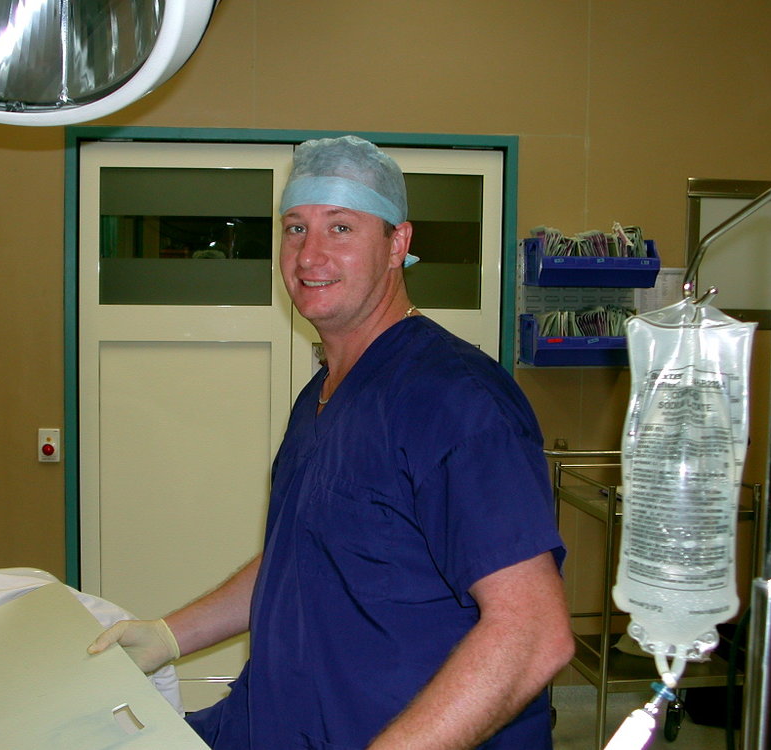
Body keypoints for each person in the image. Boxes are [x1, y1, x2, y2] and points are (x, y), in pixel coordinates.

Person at [89, 135, 574, 749]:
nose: (309, 255)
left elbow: (534, 631)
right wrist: (168, 635)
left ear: (398, 243)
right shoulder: (321, 395)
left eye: (341, 228)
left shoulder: (456, 401)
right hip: (279, 721)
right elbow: (308, 552)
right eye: (295, 228)